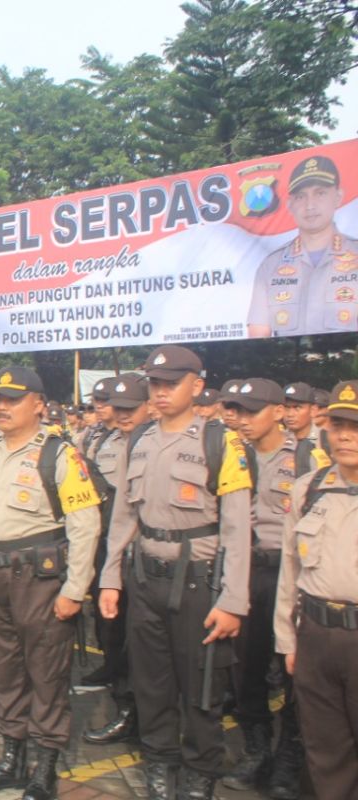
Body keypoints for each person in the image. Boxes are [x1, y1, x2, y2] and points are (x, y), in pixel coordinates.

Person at [99, 345, 253, 800]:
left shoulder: (220, 441)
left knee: (202, 685)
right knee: (152, 682)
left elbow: (237, 527)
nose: (161, 392)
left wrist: (232, 600)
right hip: (146, 577)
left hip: (199, 578)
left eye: (172, 383)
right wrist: (110, 577)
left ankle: (200, 771)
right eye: (156, 384)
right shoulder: (138, 439)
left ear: (197, 386)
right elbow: (125, 517)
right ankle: (160, 763)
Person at [0, 367, 101, 799]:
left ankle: (46, 764)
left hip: (38, 579)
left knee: (46, 674)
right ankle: (12, 756)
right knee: (5, 672)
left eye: (13, 400)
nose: (1, 407)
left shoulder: (59, 454)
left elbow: (85, 525)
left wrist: (74, 590)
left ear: (38, 404)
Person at [220, 378, 324, 797]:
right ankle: (256, 750)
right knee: (246, 669)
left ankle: (288, 757)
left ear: (278, 412)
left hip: (290, 573)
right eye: (238, 411)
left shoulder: (305, 457)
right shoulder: (232, 453)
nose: (242, 420)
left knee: (292, 670)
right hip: (248, 570)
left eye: (252, 411)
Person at [274, 379, 358, 800]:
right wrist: (288, 639)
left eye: (356, 427)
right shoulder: (309, 488)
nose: (345, 435)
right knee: (323, 750)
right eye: (339, 424)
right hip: (317, 635)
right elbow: (290, 571)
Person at [82, 373, 148, 746]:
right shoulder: (104, 440)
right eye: (114, 406)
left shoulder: (155, 443)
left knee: (141, 642)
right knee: (114, 629)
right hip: (109, 544)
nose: (121, 414)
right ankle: (127, 705)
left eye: (129, 408)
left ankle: (143, 713)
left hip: (147, 555)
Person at [248, 155, 358, 338]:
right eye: (301, 196)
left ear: (338, 197)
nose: (310, 205)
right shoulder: (271, 266)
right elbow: (258, 336)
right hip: (289, 365)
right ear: (290, 205)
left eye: (320, 193)